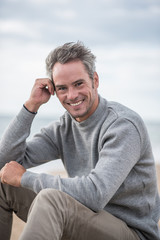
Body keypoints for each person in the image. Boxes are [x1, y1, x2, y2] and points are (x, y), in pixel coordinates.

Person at [0, 42, 159, 240]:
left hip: (132, 232)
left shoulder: (123, 125)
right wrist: (31, 105)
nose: (72, 95)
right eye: (62, 88)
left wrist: (25, 178)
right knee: (3, 185)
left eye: (78, 84)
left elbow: (95, 193)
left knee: (51, 199)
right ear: (54, 91)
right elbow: (5, 162)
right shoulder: (64, 128)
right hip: (84, 218)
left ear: (95, 80)